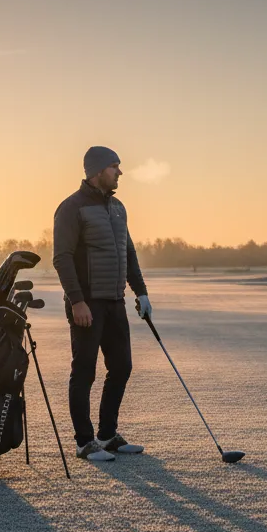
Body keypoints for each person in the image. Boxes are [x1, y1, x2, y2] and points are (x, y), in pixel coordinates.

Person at [52, 146, 152, 461]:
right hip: (87, 304)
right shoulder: (71, 208)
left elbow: (129, 252)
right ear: (98, 171)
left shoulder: (118, 208)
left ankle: (107, 435)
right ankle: (85, 442)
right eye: (114, 167)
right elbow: (62, 258)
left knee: (122, 366)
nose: (120, 172)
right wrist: (77, 301)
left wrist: (142, 292)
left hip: (114, 301)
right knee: (84, 372)